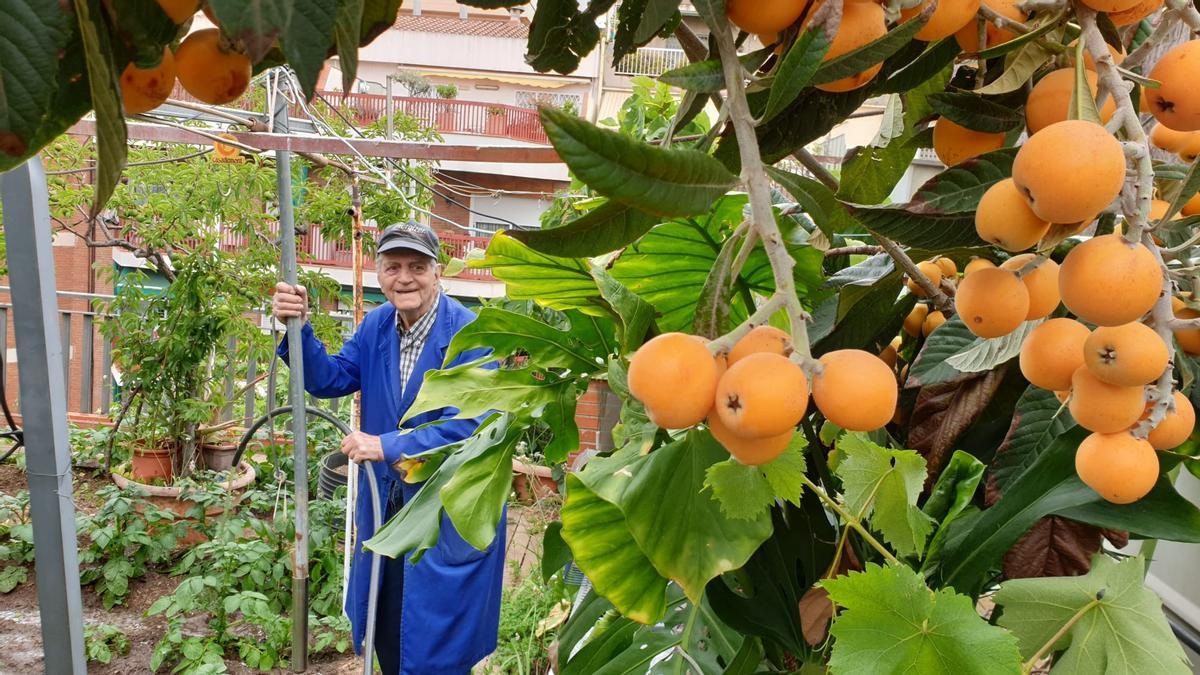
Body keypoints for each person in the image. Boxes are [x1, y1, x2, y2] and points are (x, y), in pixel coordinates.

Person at [272, 220, 503, 675]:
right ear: (380, 273)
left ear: (437, 272)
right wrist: (296, 328)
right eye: (393, 266)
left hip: (444, 513)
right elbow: (331, 379)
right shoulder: (377, 324)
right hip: (387, 509)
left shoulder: (469, 332)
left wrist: (388, 445)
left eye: (417, 266)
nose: (404, 278)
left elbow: (474, 425)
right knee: (387, 622)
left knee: (438, 640)